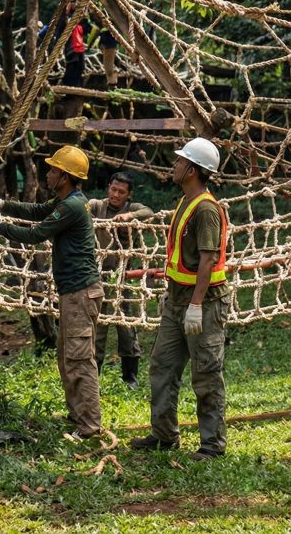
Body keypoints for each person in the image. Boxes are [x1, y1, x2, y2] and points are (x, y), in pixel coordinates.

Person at [0, 145, 103, 439]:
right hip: (74, 293)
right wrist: (2, 205)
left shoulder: (72, 206)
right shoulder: (66, 200)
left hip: (80, 293)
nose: (47, 174)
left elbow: (36, 234)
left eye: (52, 170)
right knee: (67, 356)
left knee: (78, 359)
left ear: (65, 176)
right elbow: (36, 212)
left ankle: (89, 427)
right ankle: (78, 417)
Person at [131, 138, 229, 461]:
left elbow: (207, 260)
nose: (174, 166)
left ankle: (212, 446)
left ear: (193, 170)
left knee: (206, 372)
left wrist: (197, 306)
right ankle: (163, 435)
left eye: (180, 162)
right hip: (177, 302)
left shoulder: (205, 209)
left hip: (204, 302)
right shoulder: (186, 201)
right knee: (162, 365)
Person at [89, 171, 155, 389]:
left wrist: (129, 217)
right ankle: (93, 377)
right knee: (98, 329)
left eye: (121, 192)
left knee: (126, 327)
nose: (116, 195)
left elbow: (149, 212)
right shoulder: (98, 206)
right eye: (113, 189)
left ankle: (130, 376)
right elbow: (83, 208)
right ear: (108, 187)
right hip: (97, 277)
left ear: (129, 195)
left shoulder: (132, 208)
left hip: (123, 277)